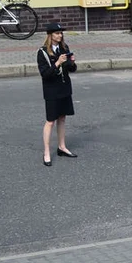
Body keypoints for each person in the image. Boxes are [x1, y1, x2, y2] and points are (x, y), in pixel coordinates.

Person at [37, 22, 78, 167]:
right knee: (50, 121)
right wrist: (57, 63)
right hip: (52, 91)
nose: (60, 36)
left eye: (61, 33)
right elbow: (45, 74)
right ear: (50, 35)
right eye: (56, 33)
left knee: (62, 118)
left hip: (64, 88)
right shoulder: (42, 52)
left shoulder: (64, 48)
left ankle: (62, 147)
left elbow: (71, 70)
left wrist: (72, 63)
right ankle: (47, 152)